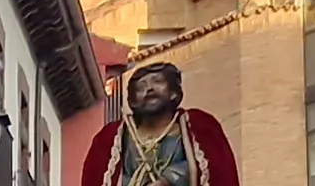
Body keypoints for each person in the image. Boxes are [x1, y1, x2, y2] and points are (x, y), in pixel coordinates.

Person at [82, 62, 234, 186]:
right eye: (141, 87)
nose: (149, 89)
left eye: (157, 82)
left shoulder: (199, 126)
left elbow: (217, 171)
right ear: (132, 101)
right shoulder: (113, 137)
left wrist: (168, 179)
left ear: (173, 92)